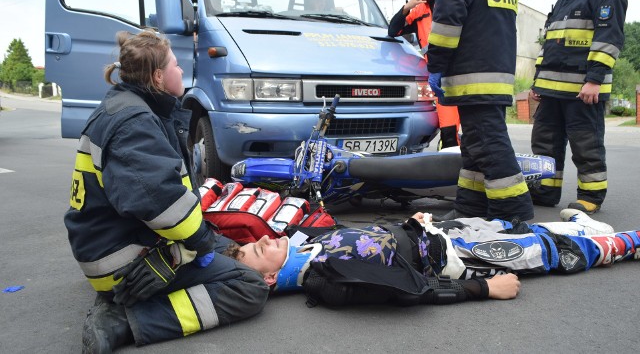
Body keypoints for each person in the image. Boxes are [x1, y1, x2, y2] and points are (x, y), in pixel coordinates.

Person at [63, 30, 269, 353]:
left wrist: (203, 240)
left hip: (114, 241)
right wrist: (196, 247)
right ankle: (127, 321)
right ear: (158, 77)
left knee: (225, 245)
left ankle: (129, 300)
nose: (181, 71)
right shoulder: (135, 123)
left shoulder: (132, 107)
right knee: (249, 286)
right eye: (175, 65)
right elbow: (163, 203)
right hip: (122, 261)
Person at [225, 206, 639, 308]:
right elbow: (411, 293)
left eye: (249, 242)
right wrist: (483, 288)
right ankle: (628, 242)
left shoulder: (305, 243)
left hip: (433, 230)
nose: (257, 243)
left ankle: (591, 226)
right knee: (547, 252)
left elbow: (364, 233)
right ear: (266, 280)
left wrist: (405, 222)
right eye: (250, 254)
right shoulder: (326, 280)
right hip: (456, 260)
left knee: (514, 227)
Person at [426, 0, 533, 221]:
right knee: (474, 146)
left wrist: (436, 63)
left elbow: (449, 12)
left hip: (471, 68)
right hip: (498, 67)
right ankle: (469, 209)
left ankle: (514, 214)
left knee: (487, 143)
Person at [529, 0, 628, 215]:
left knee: (586, 144)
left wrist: (594, 80)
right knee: (544, 143)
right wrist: (538, 82)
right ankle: (545, 190)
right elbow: (549, 42)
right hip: (551, 90)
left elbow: (609, 39)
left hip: (583, 90)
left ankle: (591, 196)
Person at [388, 0, 461, 149]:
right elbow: (393, 31)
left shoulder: (453, 3)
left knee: (473, 131)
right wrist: (407, 7)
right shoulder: (418, 11)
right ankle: (450, 167)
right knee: (449, 133)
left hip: (461, 73)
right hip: (440, 79)